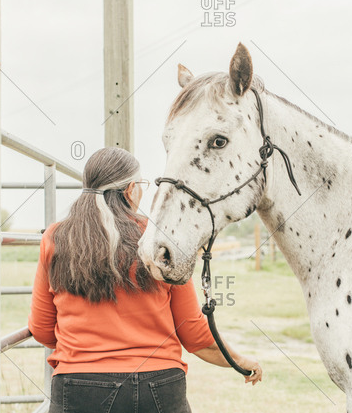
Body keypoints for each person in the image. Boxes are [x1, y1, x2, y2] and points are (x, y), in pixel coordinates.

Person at [28, 147, 262, 413]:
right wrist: (238, 360)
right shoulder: (160, 240)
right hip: (159, 385)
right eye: (141, 185)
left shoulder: (55, 237)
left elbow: (42, 329)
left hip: (80, 385)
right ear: (130, 190)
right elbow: (193, 333)